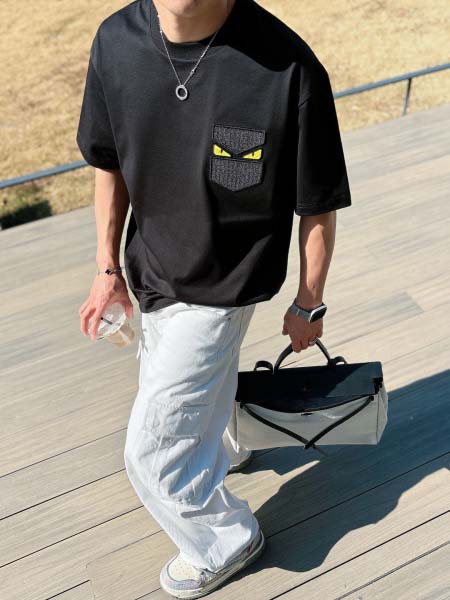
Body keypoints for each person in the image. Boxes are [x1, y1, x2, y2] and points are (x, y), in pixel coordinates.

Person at [76, 0, 352, 597]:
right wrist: (107, 268)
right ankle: (225, 448)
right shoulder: (116, 42)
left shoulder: (290, 68)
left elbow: (318, 203)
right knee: (195, 387)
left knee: (153, 451)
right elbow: (109, 161)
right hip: (149, 269)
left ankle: (224, 541)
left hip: (226, 287)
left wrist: (309, 301)